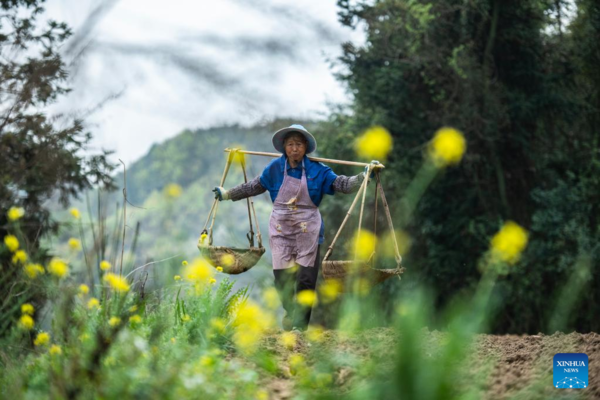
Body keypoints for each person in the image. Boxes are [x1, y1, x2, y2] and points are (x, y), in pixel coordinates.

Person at [213, 124, 379, 331]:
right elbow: (254, 186)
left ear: (305, 147)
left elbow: (343, 184)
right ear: (284, 146)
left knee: (306, 282)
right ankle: (291, 313)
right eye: (290, 144)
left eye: (298, 145)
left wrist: (364, 176)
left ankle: (300, 328)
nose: (294, 149)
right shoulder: (274, 168)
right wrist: (227, 194)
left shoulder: (318, 171)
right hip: (281, 231)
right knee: (282, 281)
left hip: (308, 232)